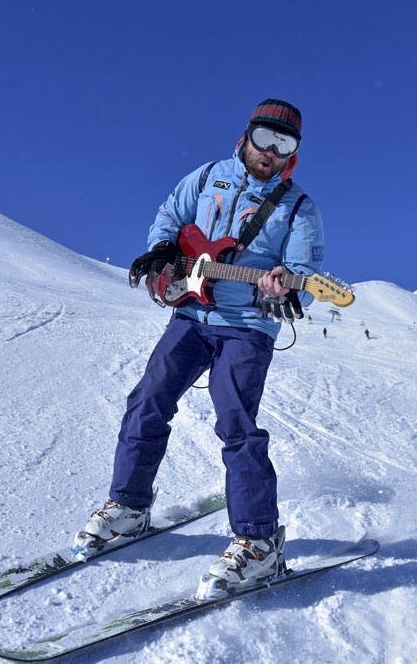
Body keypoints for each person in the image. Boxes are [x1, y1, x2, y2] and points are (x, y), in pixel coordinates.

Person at [71, 99, 325, 599]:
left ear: (293, 153)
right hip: (191, 314)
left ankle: (259, 541)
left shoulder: (299, 208)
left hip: (248, 325)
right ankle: (128, 507)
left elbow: (307, 273)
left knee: (236, 422)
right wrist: (164, 249)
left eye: (284, 145)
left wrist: (289, 288)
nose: (269, 152)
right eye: (264, 139)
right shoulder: (208, 175)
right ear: (247, 136)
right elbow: (171, 216)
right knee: (148, 399)